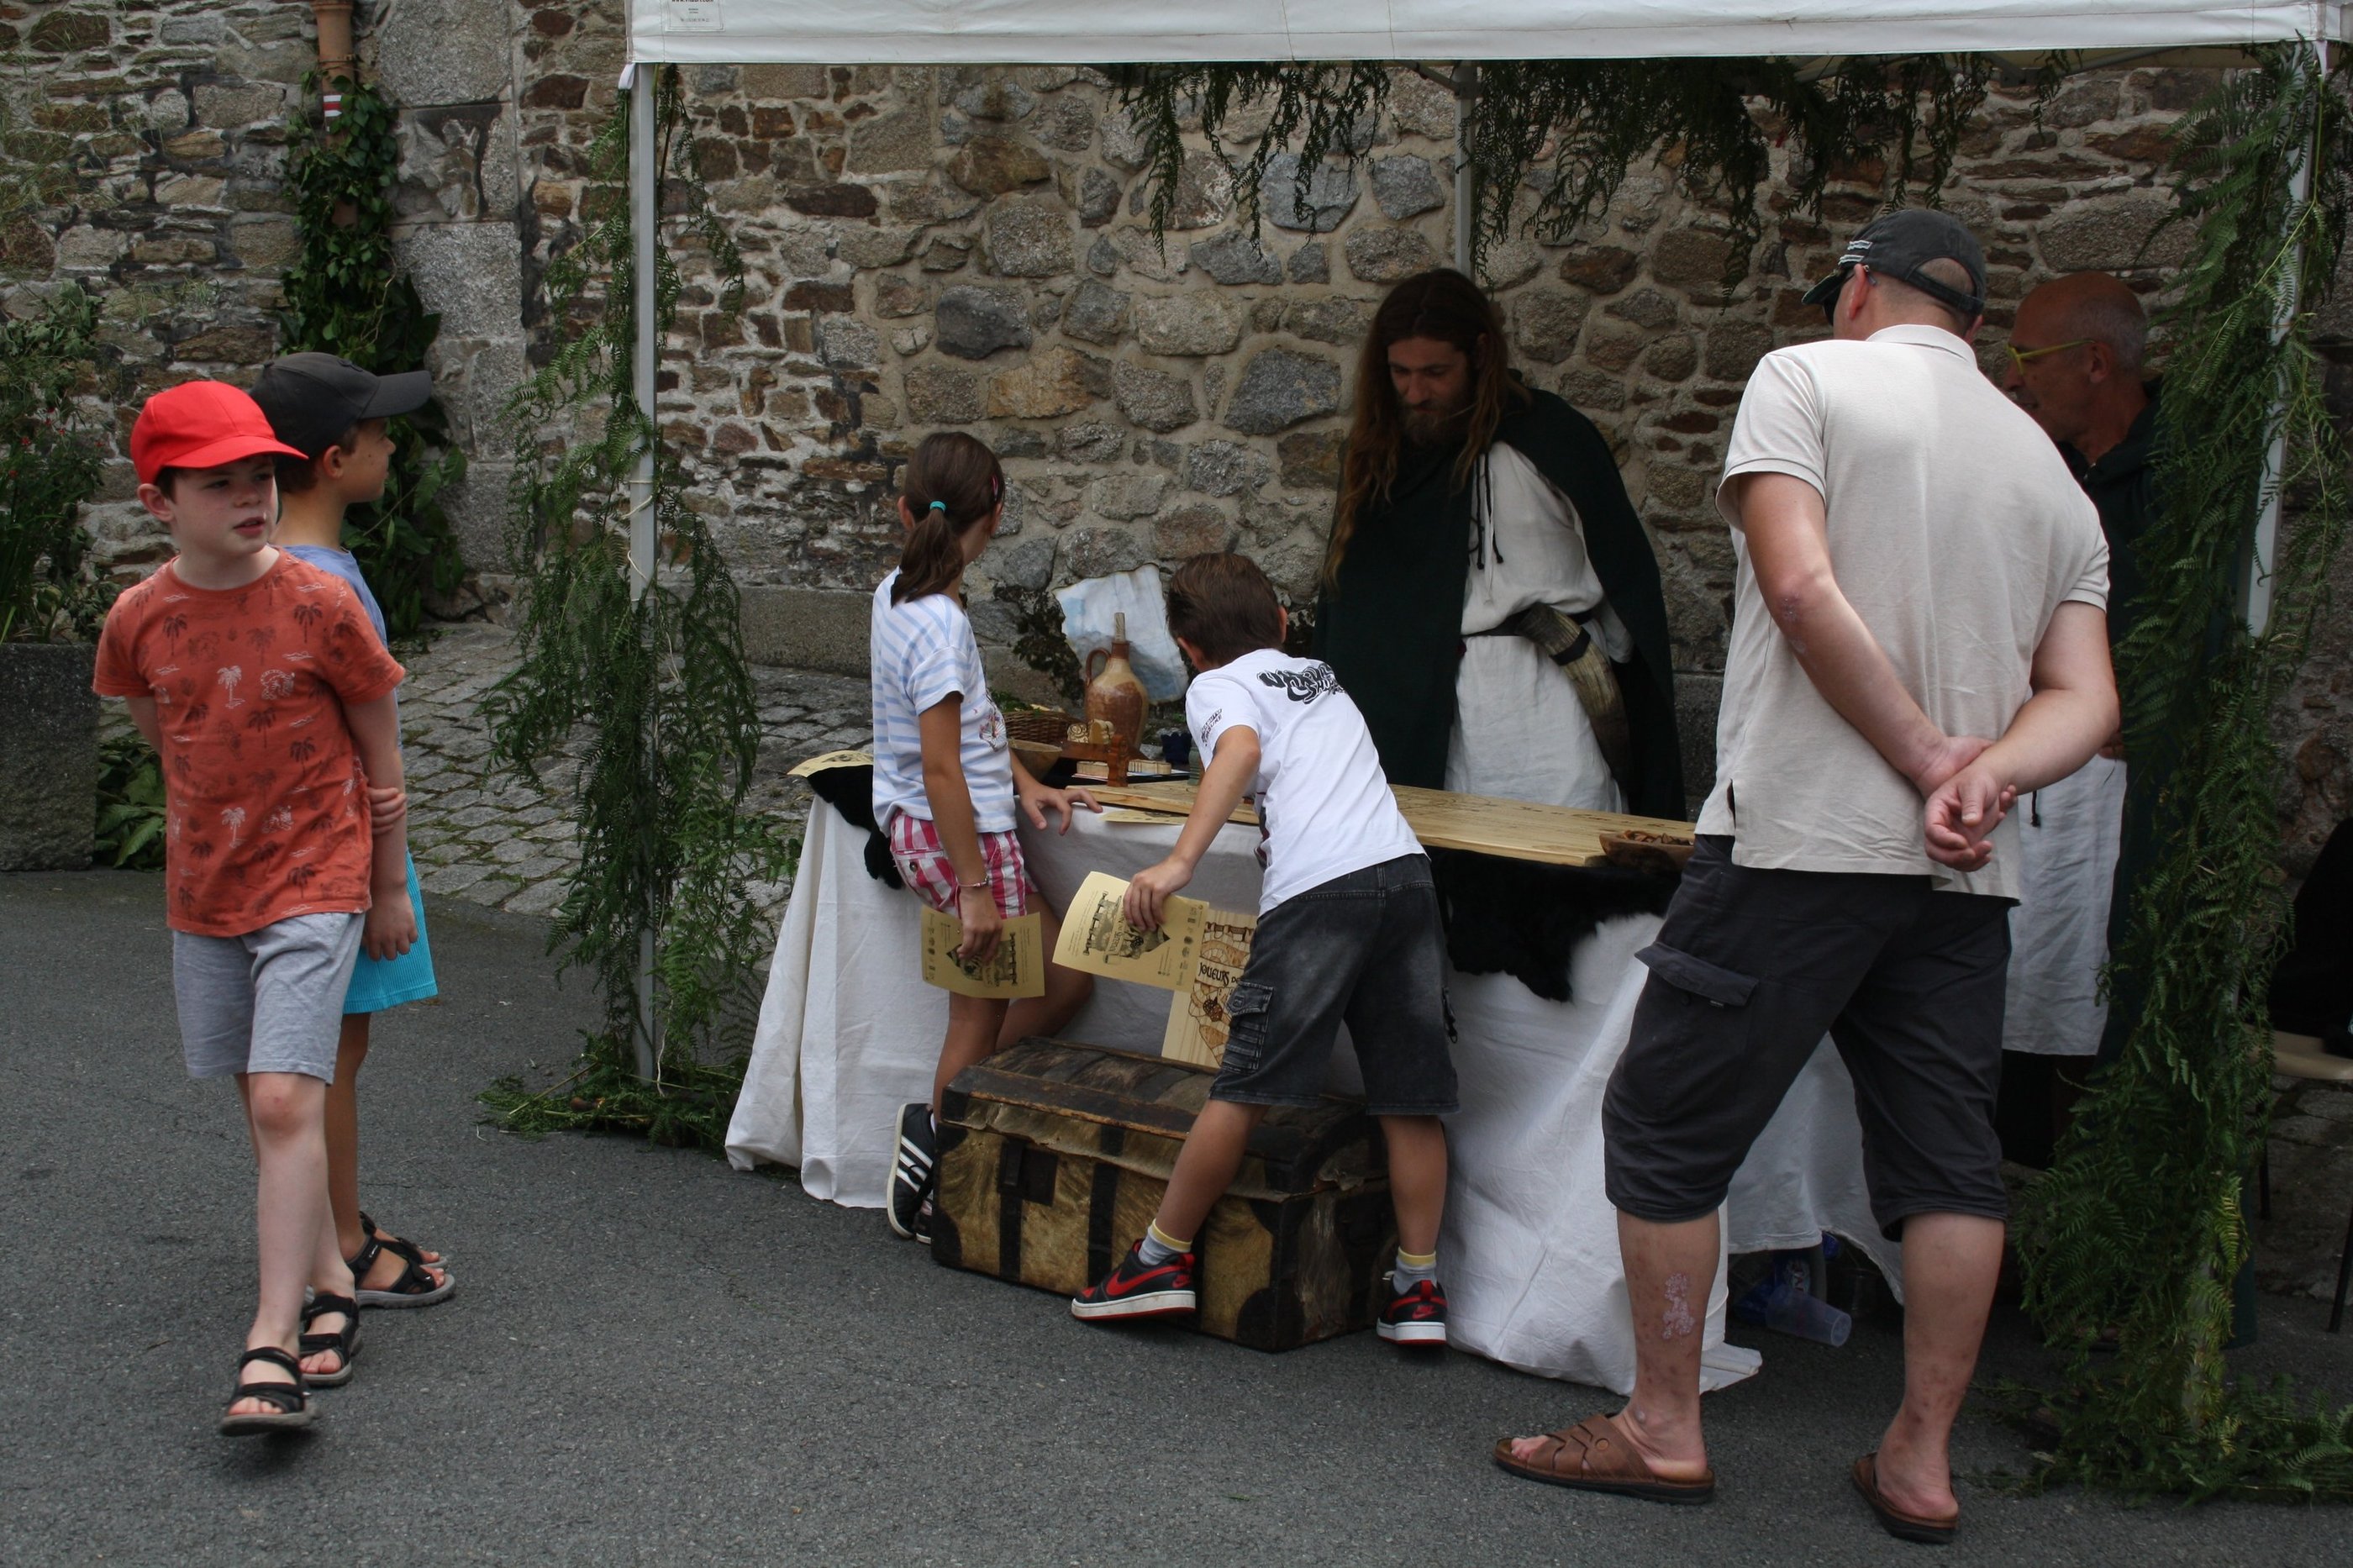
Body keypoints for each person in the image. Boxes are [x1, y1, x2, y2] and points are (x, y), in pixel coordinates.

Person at [1493, 211, 2118, 1543]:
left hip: (1799, 842)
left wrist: (1918, 752)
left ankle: (1663, 1425)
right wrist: (1986, 777)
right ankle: (1920, 1458)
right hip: (1963, 874)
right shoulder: (2053, 473)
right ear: (1971, 323)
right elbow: (2089, 699)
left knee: (1663, 1123)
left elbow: (1798, 584)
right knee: (1952, 1162)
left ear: (1857, 292)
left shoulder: (1804, 379)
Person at [94, 380, 418, 1434]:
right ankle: (331, 1280)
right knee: (259, 1098)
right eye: (220, 483)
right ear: (159, 503)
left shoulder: (322, 604)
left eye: (261, 478)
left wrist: (380, 887)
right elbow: (170, 739)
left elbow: (382, 756)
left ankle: (268, 1339)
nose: (252, 498)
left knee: (284, 1098)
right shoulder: (137, 620)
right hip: (207, 891)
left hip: (316, 877)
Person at [1071, 553, 1457, 1348]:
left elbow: (1240, 753)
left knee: (1245, 1080)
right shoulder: (1319, 674)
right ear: (1282, 624)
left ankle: (1158, 1262)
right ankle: (1418, 1289)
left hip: (1322, 890)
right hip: (1405, 878)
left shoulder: (1219, 686)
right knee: (1408, 1095)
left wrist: (1180, 860)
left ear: (1186, 649)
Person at [1313, 268, 1683, 818]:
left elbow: (1624, 583)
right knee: (1455, 864)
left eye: (1436, 372)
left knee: (1564, 851)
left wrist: (1610, 665)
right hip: (1431, 709)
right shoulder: (1383, 459)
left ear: (1480, 353)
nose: (1416, 392)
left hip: (1551, 694)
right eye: (1401, 373)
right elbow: (1360, 609)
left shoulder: (1552, 436)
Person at [252, 351, 455, 1308]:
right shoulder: (324, 583)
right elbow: (363, 750)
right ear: (335, 459)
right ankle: (337, 1243)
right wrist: (386, 876)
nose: (389, 443)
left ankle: (332, 1221)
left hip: (294, 851)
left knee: (321, 1056)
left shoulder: (272, 570)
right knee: (331, 1055)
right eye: (376, 432)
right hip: (342, 854)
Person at [873, 432, 1099, 1242]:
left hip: (958, 830)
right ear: (997, 514)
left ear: (906, 511)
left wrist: (1026, 781)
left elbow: (970, 727)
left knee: (1064, 975)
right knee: (982, 1017)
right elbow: (941, 770)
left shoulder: (906, 591)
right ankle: (939, 1168)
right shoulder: (935, 620)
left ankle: (952, 1124)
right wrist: (972, 886)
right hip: (957, 840)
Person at [1997, 276, 2163, 1152]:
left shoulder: (2183, 471)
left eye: (2026, 358)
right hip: (2023, 759)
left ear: (2095, 364)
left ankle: (2085, 1217)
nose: (2012, 380)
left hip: (2121, 786)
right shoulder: (2029, 462)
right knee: (1999, 986)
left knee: (2088, 998)